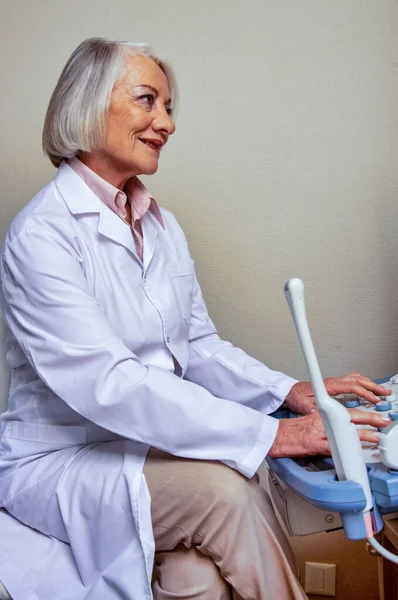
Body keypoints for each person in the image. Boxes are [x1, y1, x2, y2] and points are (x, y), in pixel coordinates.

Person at [0, 37, 390, 600]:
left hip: (141, 450)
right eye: (147, 100)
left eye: (169, 107)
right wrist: (273, 434)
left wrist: (293, 392)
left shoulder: (159, 223)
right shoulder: (42, 235)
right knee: (226, 491)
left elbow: (199, 345)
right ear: (87, 104)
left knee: (198, 579)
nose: (167, 123)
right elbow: (110, 385)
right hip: (62, 459)